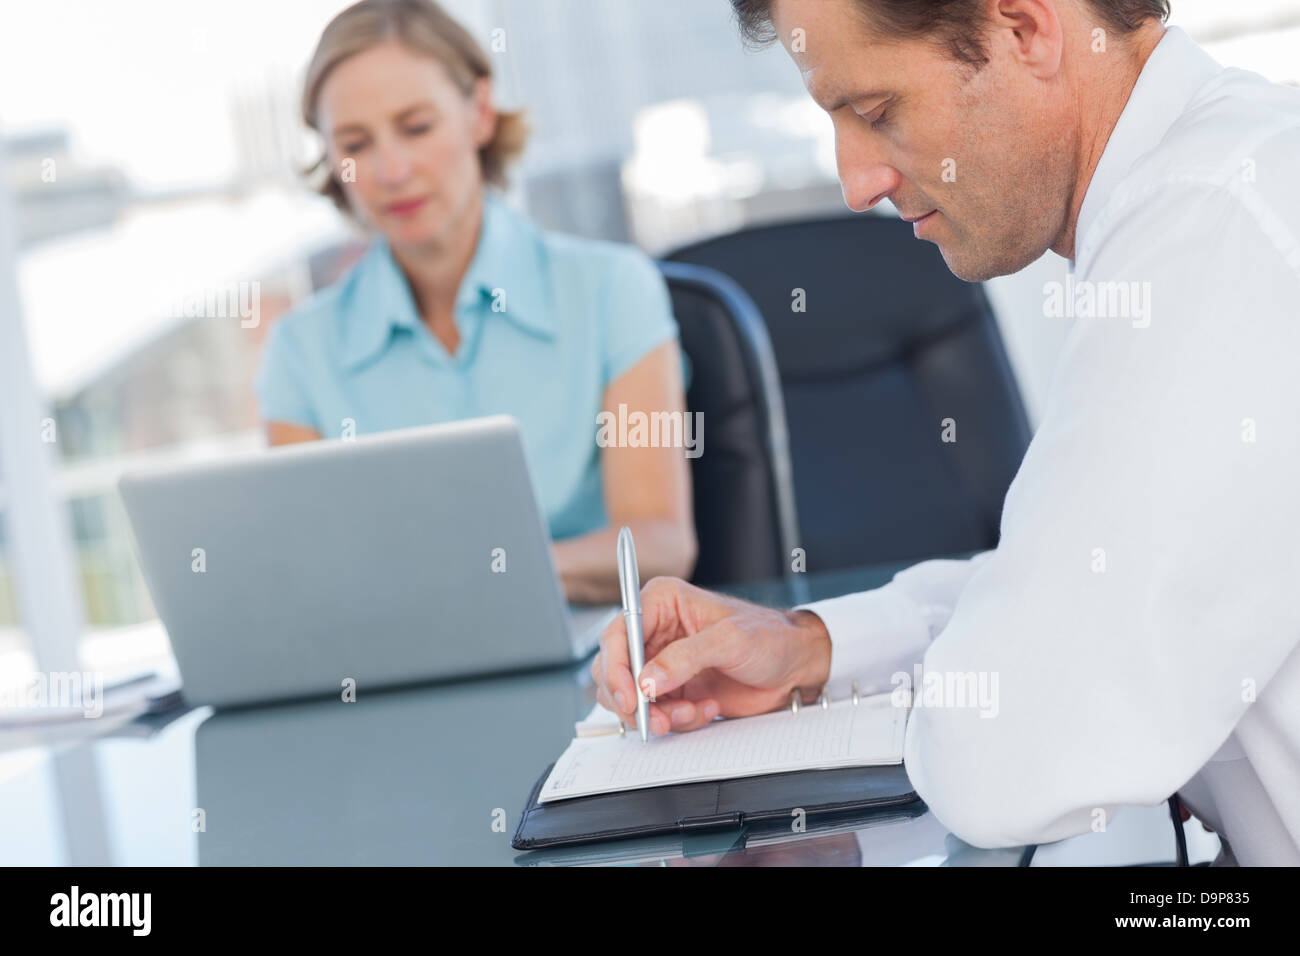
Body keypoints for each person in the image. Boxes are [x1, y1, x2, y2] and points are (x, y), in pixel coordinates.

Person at [591, 0, 1300, 865]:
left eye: (876, 111)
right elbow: (1077, 590)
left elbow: (1004, 760)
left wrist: (925, 699)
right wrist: (808, 649)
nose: (856, 183)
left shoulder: (1208, 238)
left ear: (1025, 28)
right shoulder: (1226, 180)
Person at [255, 0, 696, 604]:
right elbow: (306, 573)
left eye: (417, 127)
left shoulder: (612, 290)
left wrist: (482, 574)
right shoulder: (299, 351)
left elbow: (660, 544)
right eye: (356, 142)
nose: (391, 169)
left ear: (479, 114)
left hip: (593, 659)